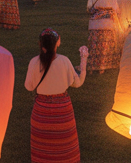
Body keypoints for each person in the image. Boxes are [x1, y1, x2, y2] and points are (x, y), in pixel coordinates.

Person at [25, 28, 87, 163]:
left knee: (42, 149)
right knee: (65, 149)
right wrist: (83, 60)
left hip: (41, 112)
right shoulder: (64, 61)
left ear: (40, 44)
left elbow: (29, 86)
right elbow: (78, 82)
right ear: (58, 42)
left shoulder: (34, 62)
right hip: (63, 112)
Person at [86, 0, 120, 72]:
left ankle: (93, 66)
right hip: (108, 22)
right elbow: (114, 6)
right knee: (106, 45)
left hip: (95, 23)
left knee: (95, 45)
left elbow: (89, 7)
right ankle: (104, 66)